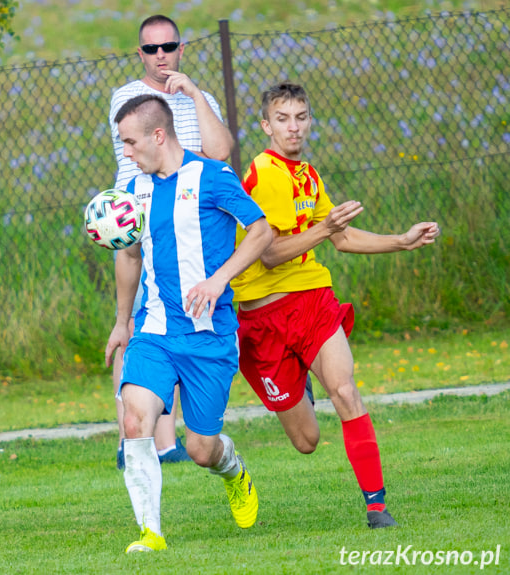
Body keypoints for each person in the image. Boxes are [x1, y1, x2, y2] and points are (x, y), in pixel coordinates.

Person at [231, 82, 441, 529]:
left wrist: (400, 241)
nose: (294, 127)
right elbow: (269, 253)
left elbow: (341, 237)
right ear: (266, 125)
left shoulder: (307, 173)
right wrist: (324, 228)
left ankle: (376, 506)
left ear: (309, 121)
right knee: (306, 440)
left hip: (311, 301)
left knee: (345, 391)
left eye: (301, 117)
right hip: (261, 318)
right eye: (283, 119)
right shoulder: (265, 174)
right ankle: (299, 379)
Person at [105, 95, 271, 552]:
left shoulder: (213, 177)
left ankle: (233, 468)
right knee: (135, 419)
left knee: (201, 448)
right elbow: (130, 253)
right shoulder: (135, 191)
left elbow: (261, 231)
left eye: (131, 143)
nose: (127, 153)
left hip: (209, 336)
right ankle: (150, 534)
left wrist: (219, 280)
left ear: (159, 135)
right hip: (154, 331)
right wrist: (122, 322)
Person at [108, 14, 234, 470]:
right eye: (151, 49)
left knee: (184, 322)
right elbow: (138, 154)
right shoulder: (128, 97)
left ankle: (174, 441)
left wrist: (194, 94)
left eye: (169, 47)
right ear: (139, 54)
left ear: (182, 49)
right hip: (143, 213)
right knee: (143, 325)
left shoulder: (199, 98)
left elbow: (219, 153)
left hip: (193, 218)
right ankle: (138, 437)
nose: (161, 56)